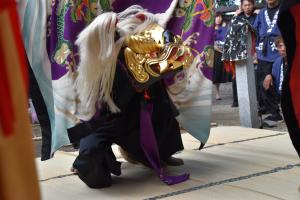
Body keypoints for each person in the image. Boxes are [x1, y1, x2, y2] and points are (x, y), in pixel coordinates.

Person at [67, 6, 191, 188]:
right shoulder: (94, 67)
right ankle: (93, 160)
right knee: (94, 171)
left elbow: (177, 54)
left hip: (139, 112)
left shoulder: (138, 44)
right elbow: (90, 108)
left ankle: (159, 154)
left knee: (164, 111)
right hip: (109, 119)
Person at [254, 0, 282, 122]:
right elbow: (254, 30)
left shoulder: (284, 10)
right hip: (263, 53)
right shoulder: (261, 13)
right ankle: (274, 112)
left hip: (280, 50)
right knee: (264, 83)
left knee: (281, 80)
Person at [231, 0, 258, 107]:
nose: (247, 7)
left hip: (254, 49)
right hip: (240, 50)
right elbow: (232, 32)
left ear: (253, 5)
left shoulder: (257, 16)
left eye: (249, 5)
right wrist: (234, 17)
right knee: (236, 76)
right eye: (245, 5)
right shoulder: (238, 17)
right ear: (242, 6)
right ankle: (236, 100)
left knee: (255, 76)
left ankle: (257, 101)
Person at [213, 13, 231, 100]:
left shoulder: (225, 27)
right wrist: (221, 50)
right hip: (216, 53)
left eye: (219, 17)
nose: (218, 18)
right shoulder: (211, 29)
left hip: (226, 51)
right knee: (217, 73)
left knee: (230, 71)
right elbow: (211, 44)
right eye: (216, 17)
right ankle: (217, 92)